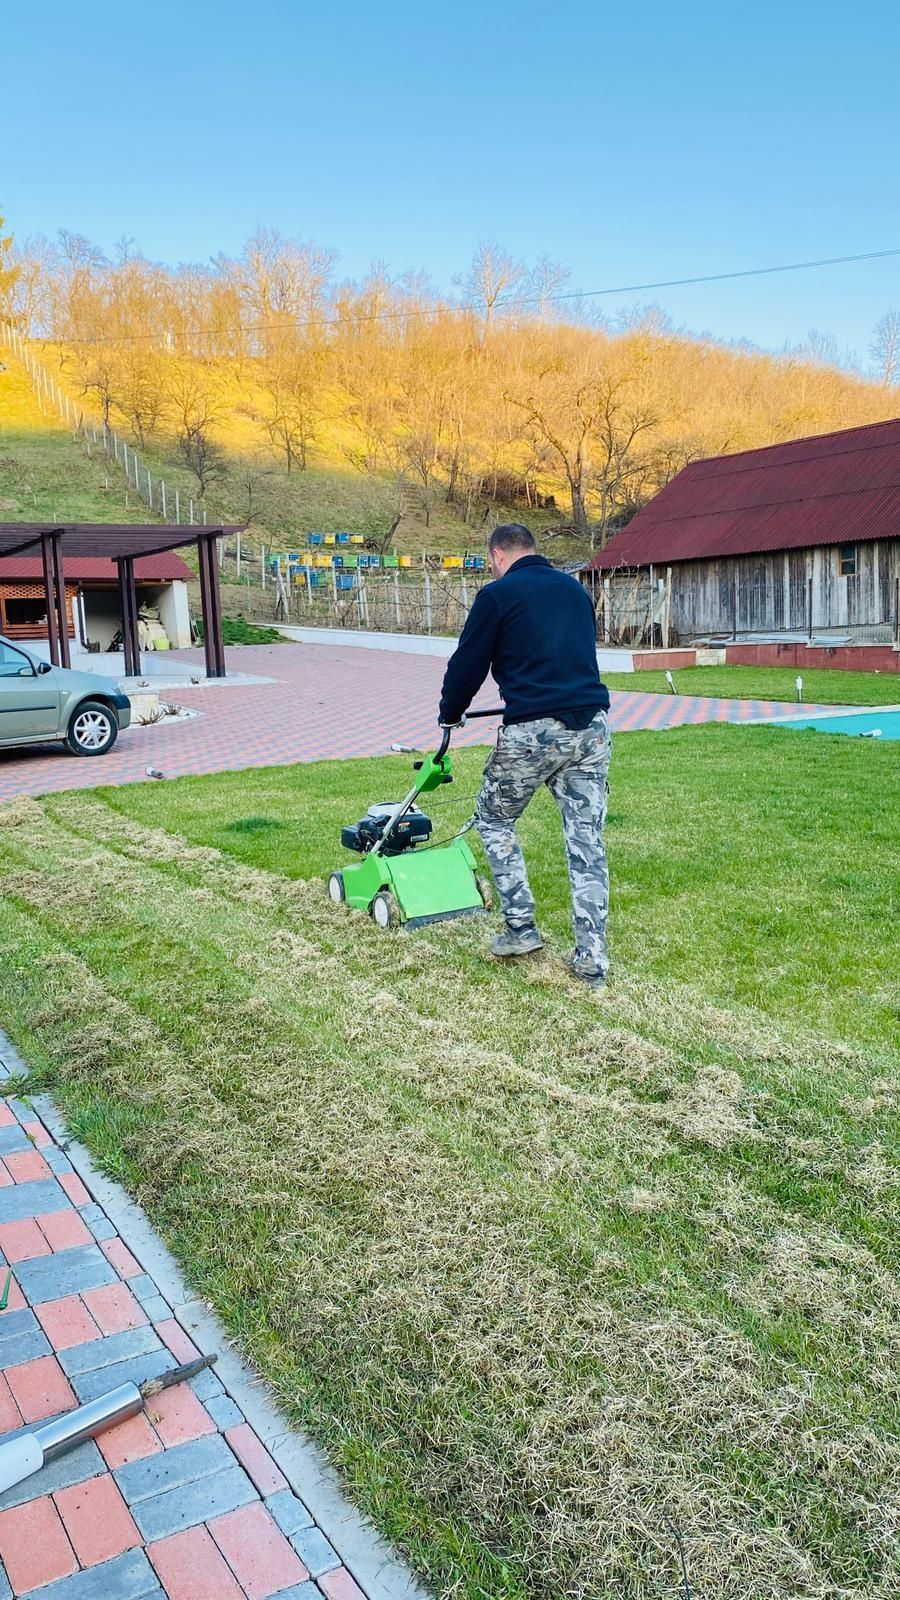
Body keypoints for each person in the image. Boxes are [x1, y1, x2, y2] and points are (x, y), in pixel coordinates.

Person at [439, 522, 612, 988]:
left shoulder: (497, 596)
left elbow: (467, 664)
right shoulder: (575, 592)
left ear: (497, 555)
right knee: (587, 840)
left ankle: (521, 927)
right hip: (592, 727)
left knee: (494, 819)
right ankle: (592, 961)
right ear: (533, 550)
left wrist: (449, 713)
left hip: (534, 731)